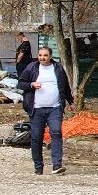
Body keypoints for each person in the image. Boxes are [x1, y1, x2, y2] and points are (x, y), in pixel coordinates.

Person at [17, 45, 73, 175]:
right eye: (40, 55)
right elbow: (20, 84)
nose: (43, 58)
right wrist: (31, 85)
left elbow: (64, 86)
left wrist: (71, 102)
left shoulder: (58, 68)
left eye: (45, 55)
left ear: (50, 56)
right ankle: (38, 166)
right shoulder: (32, 67)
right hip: (36, 109)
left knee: (56, 132)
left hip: (55, 107)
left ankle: (57, 165)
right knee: (37, 137)